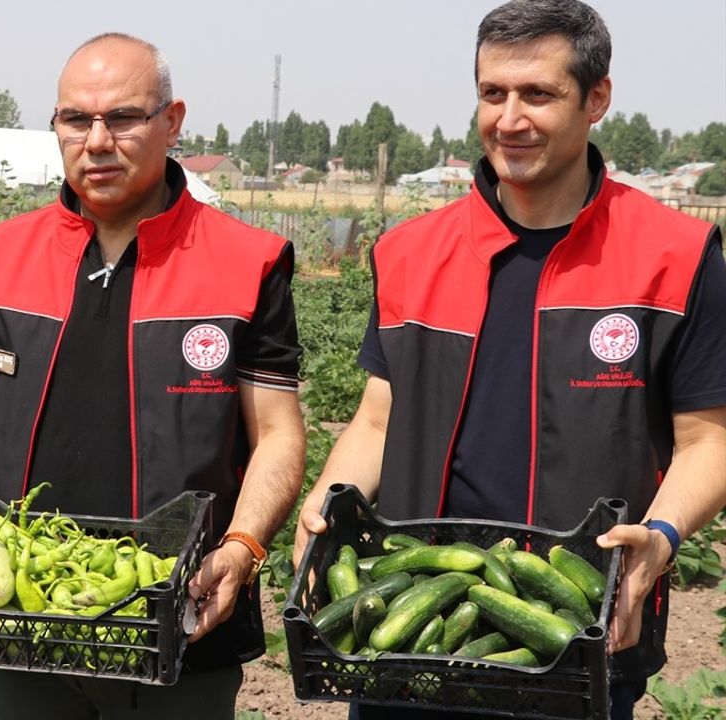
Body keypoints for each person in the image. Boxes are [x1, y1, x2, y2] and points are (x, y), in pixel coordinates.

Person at [292, 1, 726, 718]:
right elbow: (376, 421)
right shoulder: (409, 253)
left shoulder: (675, 258)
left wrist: (662, 535)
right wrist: (328, 500)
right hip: (412, 631)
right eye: (493, 93)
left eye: (538, 94)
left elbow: (709, 442)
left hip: (574, 630)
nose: (510, 119)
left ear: (597, 100)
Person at [0, 32, 305, 720]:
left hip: (180, 617)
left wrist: (244, 547)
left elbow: (280, 437)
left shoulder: (245, 263)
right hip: (18, 620)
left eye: (124, 118)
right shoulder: (4, 253)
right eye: (76, 119)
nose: (98, 140)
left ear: (172, 122)